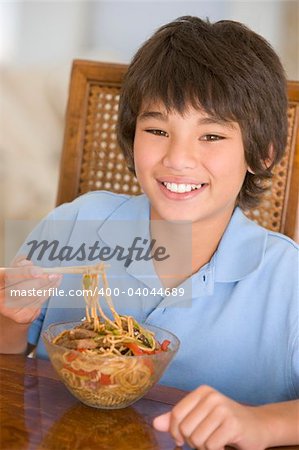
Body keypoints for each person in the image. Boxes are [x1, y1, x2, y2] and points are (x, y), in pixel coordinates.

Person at [1, 16, 298, 449]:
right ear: (131, 135)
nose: (178, 159)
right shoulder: (74, 226)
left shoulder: (287, 278)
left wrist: (263, 424)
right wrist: (9, 316)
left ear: (263, 154)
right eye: (157, 130)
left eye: (211, 135)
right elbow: (10, 359)